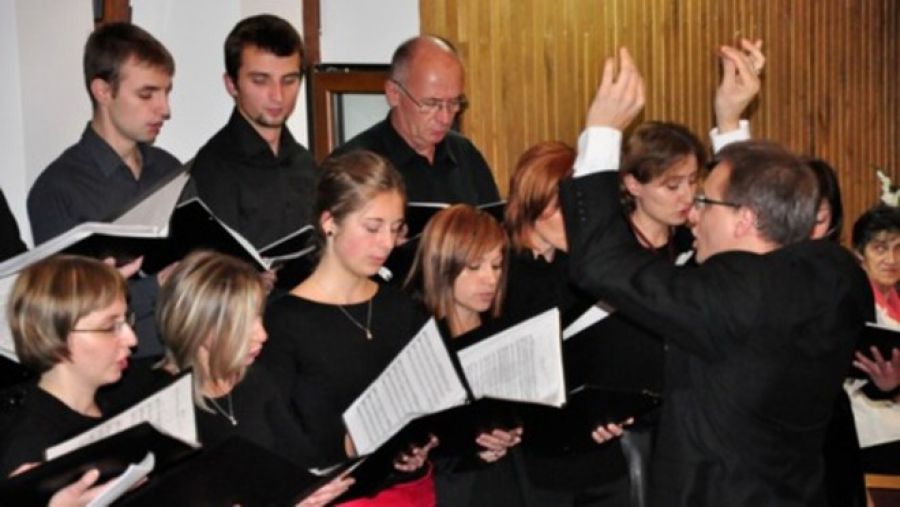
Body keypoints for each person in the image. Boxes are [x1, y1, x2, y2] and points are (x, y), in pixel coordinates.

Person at [561, 47, 872, 506]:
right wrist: (730, 123)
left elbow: (601, 263)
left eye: (704, 202)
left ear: (743, 219)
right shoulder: (835, 275)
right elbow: (760, 207)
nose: (693, 214)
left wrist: (602, 132)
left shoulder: (727, 299)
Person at [258, 150, 437, 505]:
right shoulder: (281, 323)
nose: (387, 242)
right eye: (372, 227)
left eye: (396, 228)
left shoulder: (402, 307)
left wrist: (423, 442)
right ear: (330, 223)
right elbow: (277, 442)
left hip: (412, 493)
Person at [112, 250, 350, 506]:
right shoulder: (163, 410)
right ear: (202, 328)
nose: (262, 335)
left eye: (259, 317)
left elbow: (305, 461)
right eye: (244, 323)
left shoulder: (253, 378)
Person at [26, 22, 181, 358]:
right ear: (103, 91)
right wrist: (153, 287)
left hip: (186, 354)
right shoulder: (57, 188)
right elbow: (64, 313)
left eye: (166, 92)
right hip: (117, 371)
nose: (165, 109)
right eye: (147, 94)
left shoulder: (169, 169)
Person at [404, 203, 529, 506]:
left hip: (512, 485)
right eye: (474, 267)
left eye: (496, 266)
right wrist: (470, 452)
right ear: (442, 265)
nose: (490, 279)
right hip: (449, 493)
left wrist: (514, 432)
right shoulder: (416, 342)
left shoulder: (505, 330)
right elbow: (414, 447)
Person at [0, 256, 137, 477]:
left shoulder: (119, 399)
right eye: (110, 327)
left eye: (126, 320)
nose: (132, 340)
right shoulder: (33, 448)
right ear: (54, 336)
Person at [190, 14, 317, 249]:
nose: (277, 96)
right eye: (260, 80)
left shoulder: (305, 162)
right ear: (231, 84)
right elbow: (211, 265)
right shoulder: (213, 167)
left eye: (289, 80)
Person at [333, 35, 500, 205]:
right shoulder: (352, 166)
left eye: (454, 103)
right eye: (431, 103)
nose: (445, 118)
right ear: (394, 94)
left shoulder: (465, 155)